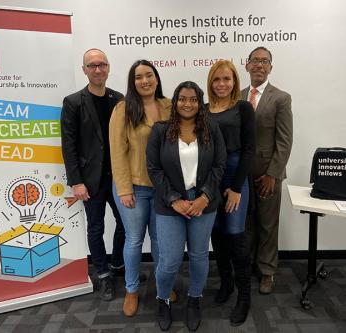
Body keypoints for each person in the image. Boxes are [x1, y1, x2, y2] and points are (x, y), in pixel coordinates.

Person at [146, 81, 226, 331]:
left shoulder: (211, 128)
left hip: (204, 201)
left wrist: (205, 197)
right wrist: (174, 200)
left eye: (193, 99)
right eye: (182, 98)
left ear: (199, 102)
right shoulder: (161, 130)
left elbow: (219, 165)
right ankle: (163, 299)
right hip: (170, 202)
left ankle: (194, 299)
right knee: (169, 260)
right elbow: (154, 169)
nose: (187, 104)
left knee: (199, 255)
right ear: (175, 101)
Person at [61, 48, 125, 301]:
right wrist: (76, 181)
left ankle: (118, 264)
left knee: (126, 225)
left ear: (108, 68)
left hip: (119, 178)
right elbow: (69, 145)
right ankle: (102, 274)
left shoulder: (119, 99)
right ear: (84, 69)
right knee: (95, 228)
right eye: (92, 65)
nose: (98, 70)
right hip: (91, 180)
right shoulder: (73, 102)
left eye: (102, 65)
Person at [109, 60, 172, 317]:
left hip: (163, 189)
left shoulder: (169, 105)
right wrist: (124, 189)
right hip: (133, 187)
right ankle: (132, 289)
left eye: (149, 75)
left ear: (156, 78)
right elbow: (117, 152)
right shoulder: (123, 109)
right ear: (132, 82)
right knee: (134, 240)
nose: (144, 80)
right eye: (138, 77)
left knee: (160, 241)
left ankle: (162, 284)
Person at [206, 60, 255, 325]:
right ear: (211, 82)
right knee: (217, 234)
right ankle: (226, 284)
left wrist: (236, 188)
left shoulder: (243, 108)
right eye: (217, 79)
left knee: (236, 236)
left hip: (236, 176)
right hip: (211, 179)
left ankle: (244, 297)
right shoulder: (203, 110)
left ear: (235, 81)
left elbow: (249, 150)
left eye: (227, 79)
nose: (222, 84)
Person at [242, 46, 293, 294]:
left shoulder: (281, 98)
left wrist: (273, 174)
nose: (259, 65)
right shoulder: (238, 96)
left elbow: (285, 141)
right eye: (255, 60)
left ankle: (268, 271)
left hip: (268, 175)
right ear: (247, 65)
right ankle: (251, 264)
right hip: (243, 175)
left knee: (268, 225)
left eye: (265, 61)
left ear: (271, 67)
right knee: (247, 223)